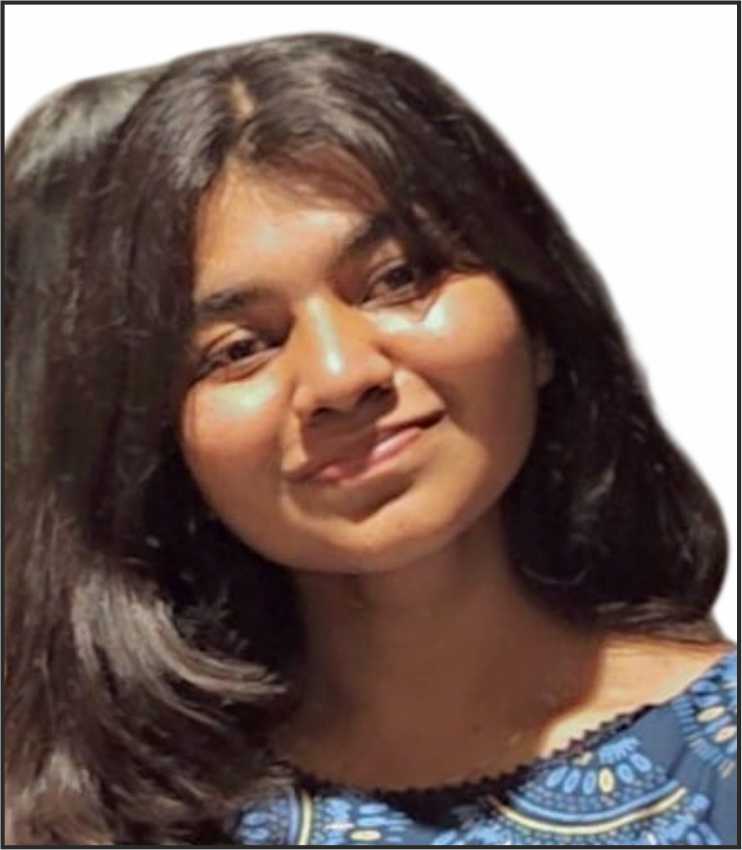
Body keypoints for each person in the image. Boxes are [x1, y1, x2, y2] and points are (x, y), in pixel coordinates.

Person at [4, 34, 736, 847]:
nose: (341, 374)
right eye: (238, 348)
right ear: (157, 446)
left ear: (538, 318)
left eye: (397, 279)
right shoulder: (87, 818)